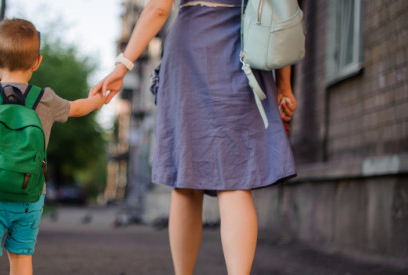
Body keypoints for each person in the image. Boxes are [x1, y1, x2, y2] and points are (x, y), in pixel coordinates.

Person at [91, 0, 297, 274]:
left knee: (186, 182)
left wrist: (122, 66)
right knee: (234, 180)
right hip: (244, 49)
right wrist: (284, 84)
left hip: (190, 49)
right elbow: (282, 10)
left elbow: (158, 9)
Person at [0, 18, 104, 275]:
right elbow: (78, 107)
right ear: (37, 61)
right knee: (21, 258)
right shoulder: (45, 99)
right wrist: (99, 99)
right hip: (29, 195)